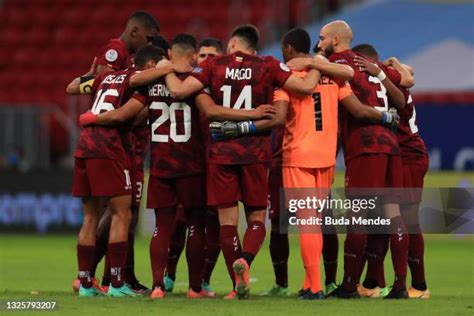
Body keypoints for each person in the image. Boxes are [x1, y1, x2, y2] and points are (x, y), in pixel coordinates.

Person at [162, 24, 321, 299]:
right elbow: (306, 86)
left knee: (227, 222)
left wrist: (165, 67)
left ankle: (237, 288)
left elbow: (177, 91)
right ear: (253, 47)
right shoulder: (268, 65)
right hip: (255, 154)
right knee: (257, 218)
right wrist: (318, 62)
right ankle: (245, 261)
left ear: (232, 44)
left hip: (220, 154)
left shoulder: (213, 65)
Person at [316, 20, 411, 299]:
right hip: (391, 147)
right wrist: (387, 70)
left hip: (365, 146)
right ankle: (400, 286)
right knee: (393, 216)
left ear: (335, 40)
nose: (319, 43)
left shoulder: (338, 63)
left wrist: (314, 61)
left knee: (357, 219)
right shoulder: (375, 66)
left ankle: (348, 285)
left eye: (322, 39)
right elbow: (406, 86)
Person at [67, 45, 165, 297]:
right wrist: (93, 117)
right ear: (152, 66)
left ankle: (86, 285)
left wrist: (90, 76)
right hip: (108, 148)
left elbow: (71, 86)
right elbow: (122, 116)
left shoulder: (106, 77)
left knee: (90, 217)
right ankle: (118, 285)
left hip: (84, 146)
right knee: (122, 215)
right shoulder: (137, 82)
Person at [353, 43, 430, 299]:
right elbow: (409, 72)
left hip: (408, 156)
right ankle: (373, 282)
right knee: (383, 219)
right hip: (396, 156)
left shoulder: (387, 83)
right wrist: (394, 66)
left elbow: (407, 77)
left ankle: (417, 286)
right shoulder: (389, 81)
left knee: (407, 220)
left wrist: (386, 69)